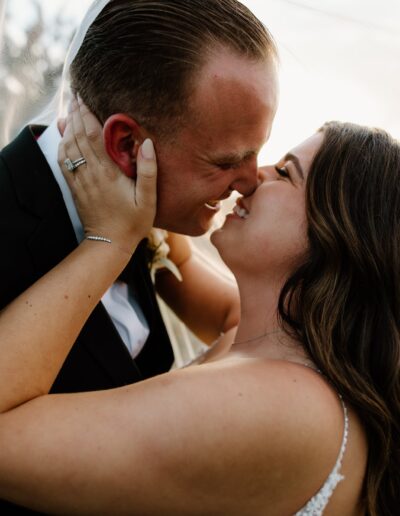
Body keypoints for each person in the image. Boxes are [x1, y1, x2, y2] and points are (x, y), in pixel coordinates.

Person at [0, 105, 399, 514]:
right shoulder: (272, 344)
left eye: (285, 172)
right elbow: (187, 271)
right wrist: (157, 198)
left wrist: (111, 240)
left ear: (337, 235)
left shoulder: (276, 409)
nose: (254, 176)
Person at [0, 0, 277, 393]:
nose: (252, 181)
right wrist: (108, 244)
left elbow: (247, 321)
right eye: (226, 161)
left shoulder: (147, 211)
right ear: (128, 145)